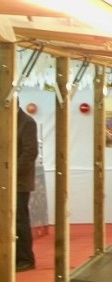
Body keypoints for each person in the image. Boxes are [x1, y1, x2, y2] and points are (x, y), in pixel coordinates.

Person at [16, 104, 39, 272]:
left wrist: (10, 173)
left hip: (19, 182)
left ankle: (25, 258)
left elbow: (30, 153)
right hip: (5, 181)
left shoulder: (27, 122)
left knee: (19, 220)